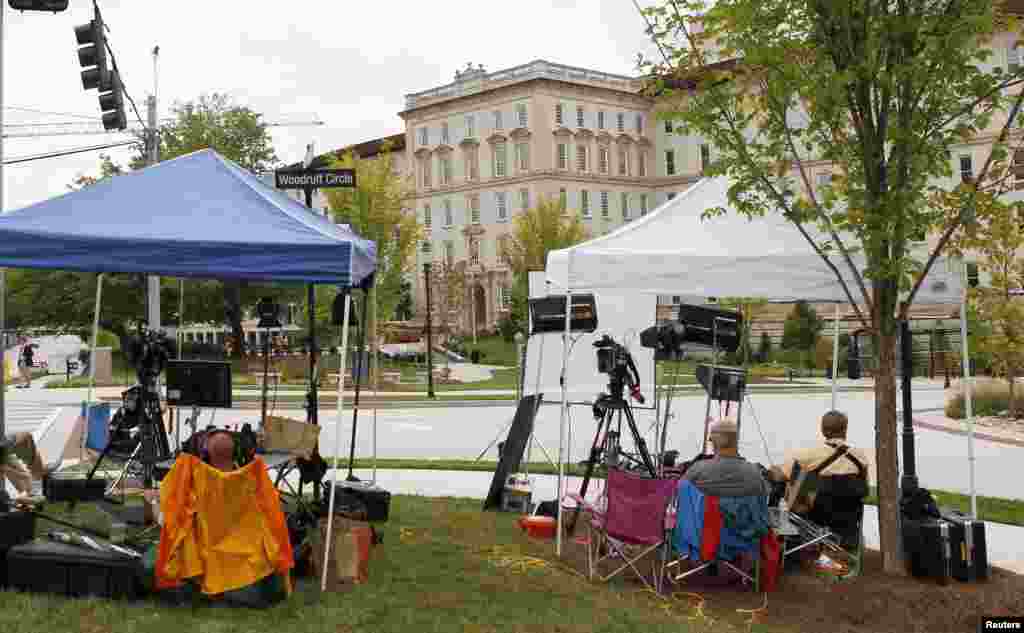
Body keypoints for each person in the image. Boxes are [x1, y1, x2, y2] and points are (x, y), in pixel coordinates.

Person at [768, 410, 870, 498]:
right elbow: (865, 487)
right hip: (850, 517)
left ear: (822, 430)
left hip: (814, 516)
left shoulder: (809, 454)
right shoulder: (860, 457)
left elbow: (780, 476)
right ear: (845, 429)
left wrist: (772, 470)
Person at [684, 418, 770, 497]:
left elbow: (681, 496)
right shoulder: (755, 474)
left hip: (707, 513)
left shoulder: (697, 471)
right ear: (736, 440)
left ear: (717, 441)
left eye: (711, 439)